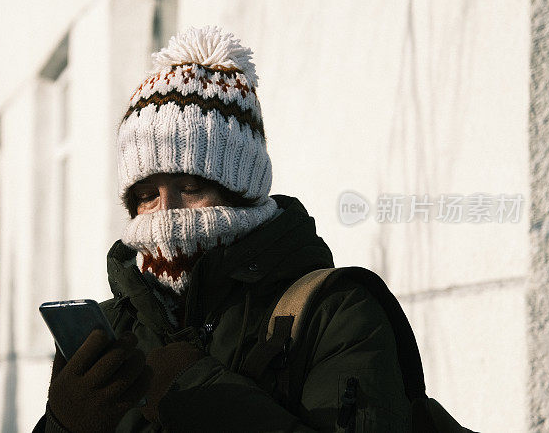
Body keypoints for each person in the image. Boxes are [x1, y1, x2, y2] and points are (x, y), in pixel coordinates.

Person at [35, 26, 411, 432]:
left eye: (191, 187)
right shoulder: (113, 334)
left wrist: (201, 394)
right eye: (146, 195)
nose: (166, 212)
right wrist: (62, 423)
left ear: (242, 190)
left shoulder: (334, 313)